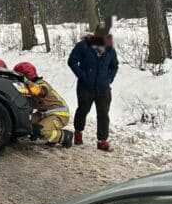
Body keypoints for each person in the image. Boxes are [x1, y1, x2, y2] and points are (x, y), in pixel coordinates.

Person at [67, 21, 118, 151]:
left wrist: (109, 78)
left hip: (103, 88)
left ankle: (102, 141)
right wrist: (82, 76)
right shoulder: (83, 46)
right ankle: (78, 132)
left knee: (103, 114)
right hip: (86, 87)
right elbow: (72, 61)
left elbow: (114, 65)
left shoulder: (110, 48)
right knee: (83, 110)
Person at [14, 62, 74, 148]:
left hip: (59, 115)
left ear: (26, 76)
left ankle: (64, 136)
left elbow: (40, 91)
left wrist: (27, 82)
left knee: (40, 131)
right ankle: (51, 133)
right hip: (44, 114)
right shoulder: (30, 87)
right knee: (24, 122)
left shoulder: (41, 84)